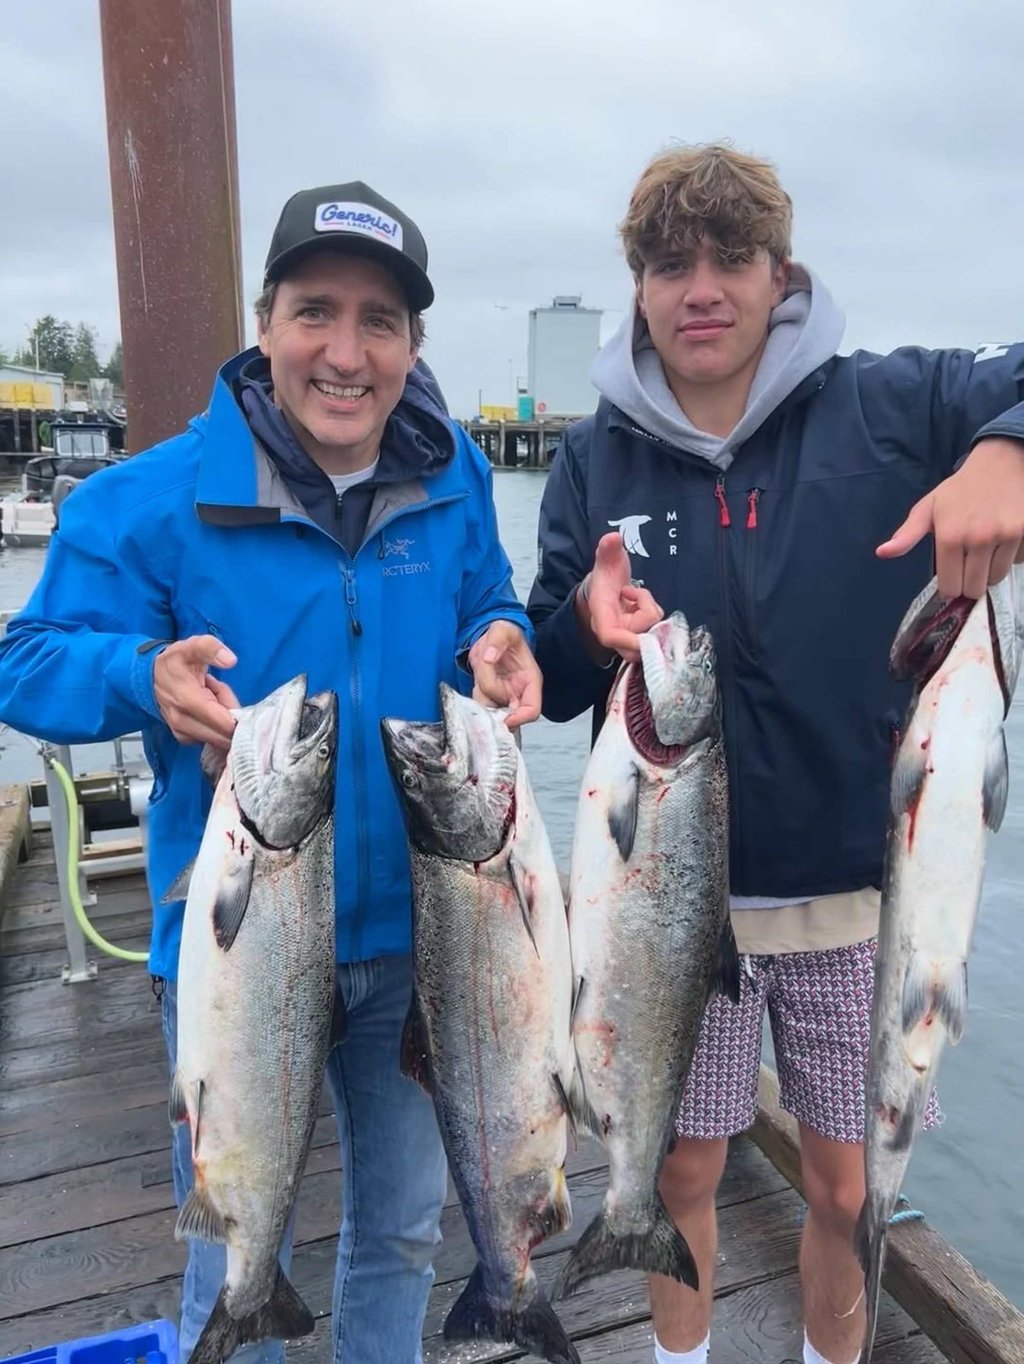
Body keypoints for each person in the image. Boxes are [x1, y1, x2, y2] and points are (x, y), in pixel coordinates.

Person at [0, 180, 541, 1364]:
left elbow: (484, 605)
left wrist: (503, 641)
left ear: (413, 343)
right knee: (238, 1235)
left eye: (380, 321)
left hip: (416, 939)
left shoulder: (452, 475)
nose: (345, 353)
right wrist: (144, 674)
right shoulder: (148, 496)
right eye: (315, 312)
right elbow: (24, 659)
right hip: (236, 941)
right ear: (263, 321)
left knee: (402, 1225)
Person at [527, 143, 1024, 1364]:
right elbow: (545, 675)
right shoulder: (594, 456)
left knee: (848, 1188)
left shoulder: (894, 402)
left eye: (727, 258)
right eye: (667, 263)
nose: (699, 287)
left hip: (858, 891)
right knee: (682, 1165)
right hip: (660, 905)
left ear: (779, 274)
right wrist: (582, 635)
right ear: (637, 287)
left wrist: (1005, 449)